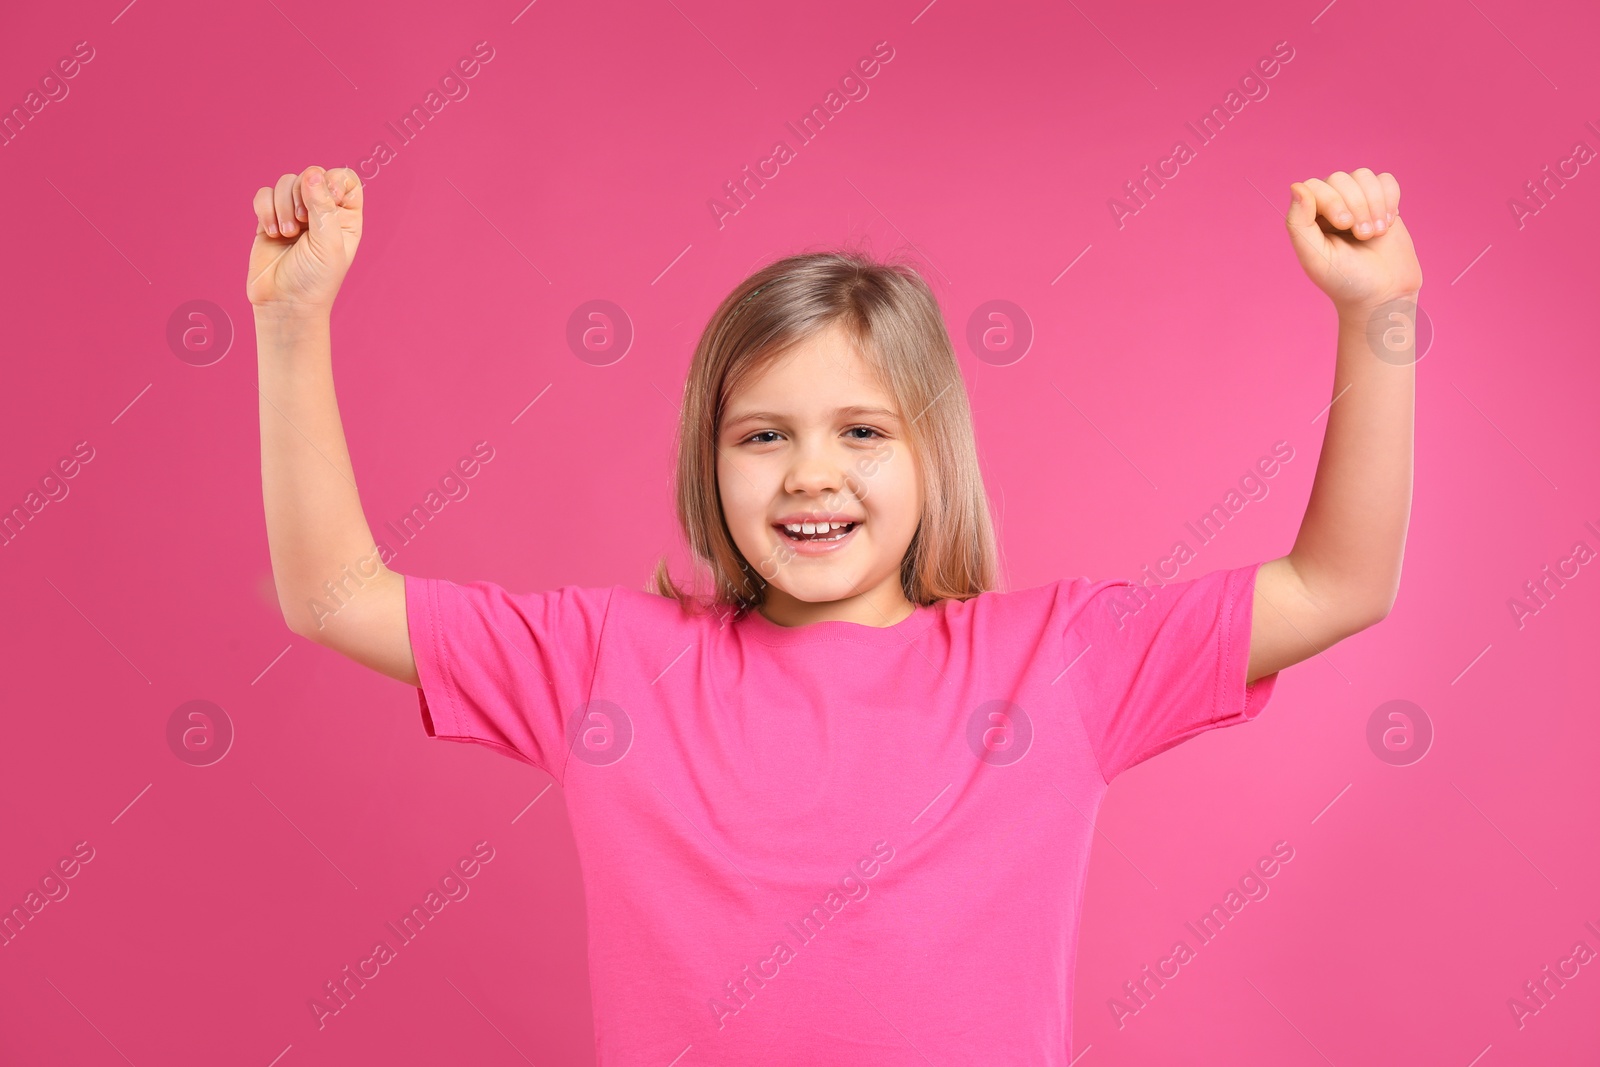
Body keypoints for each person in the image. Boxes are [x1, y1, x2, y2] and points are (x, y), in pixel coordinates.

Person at [249, 164, 1420, 1064]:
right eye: (764, 435)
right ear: (710, 465)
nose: (811, 473)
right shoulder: (608, 666)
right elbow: (333, 595)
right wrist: (291, 325)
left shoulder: (1056, 662)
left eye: (862, 431)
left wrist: (1381, 314)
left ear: (933, 455)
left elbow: (1336, 586)